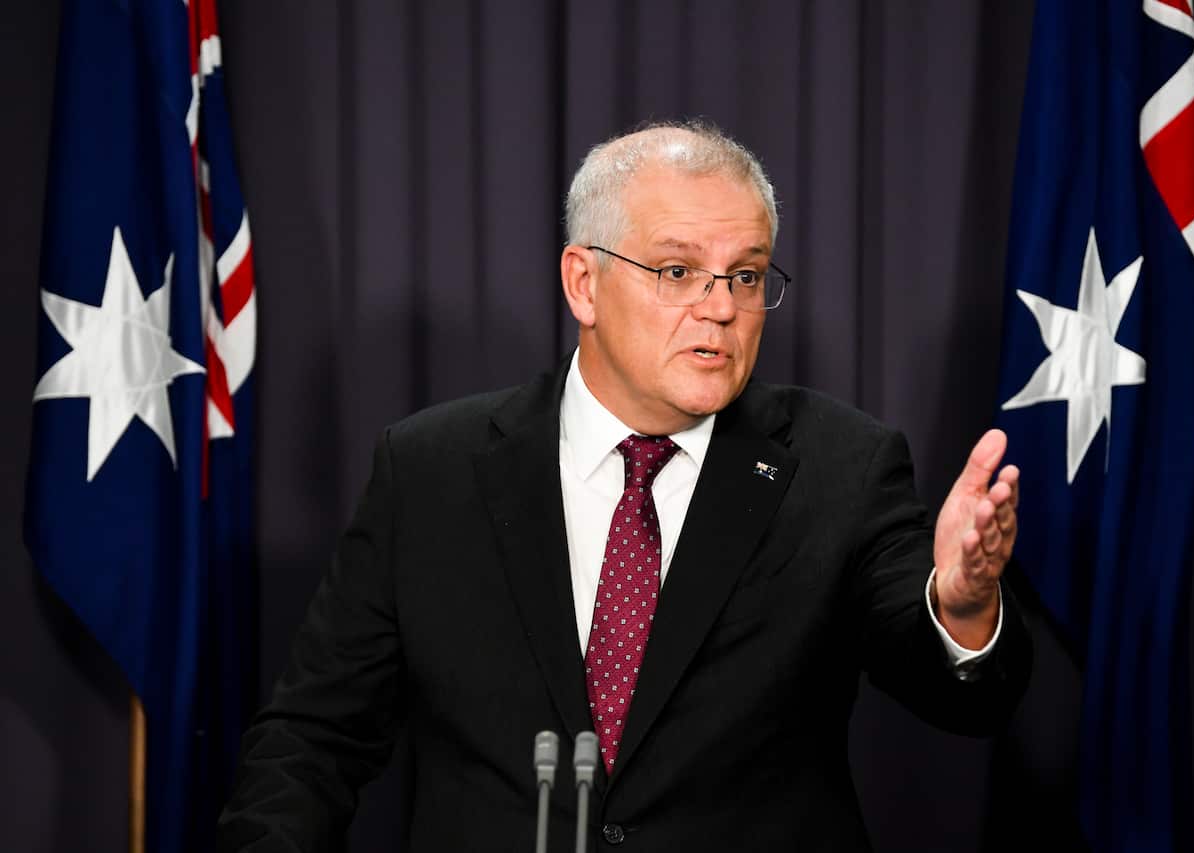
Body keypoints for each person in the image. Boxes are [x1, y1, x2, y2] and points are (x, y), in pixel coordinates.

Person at [217, 121, 1031, 852]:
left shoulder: (839, 465)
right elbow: (312, 740)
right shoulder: (432, 470)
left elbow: (959, 698)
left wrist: (961, 606)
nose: (721, 308)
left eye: (747, 276)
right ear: (584, 283)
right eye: (679, 270)